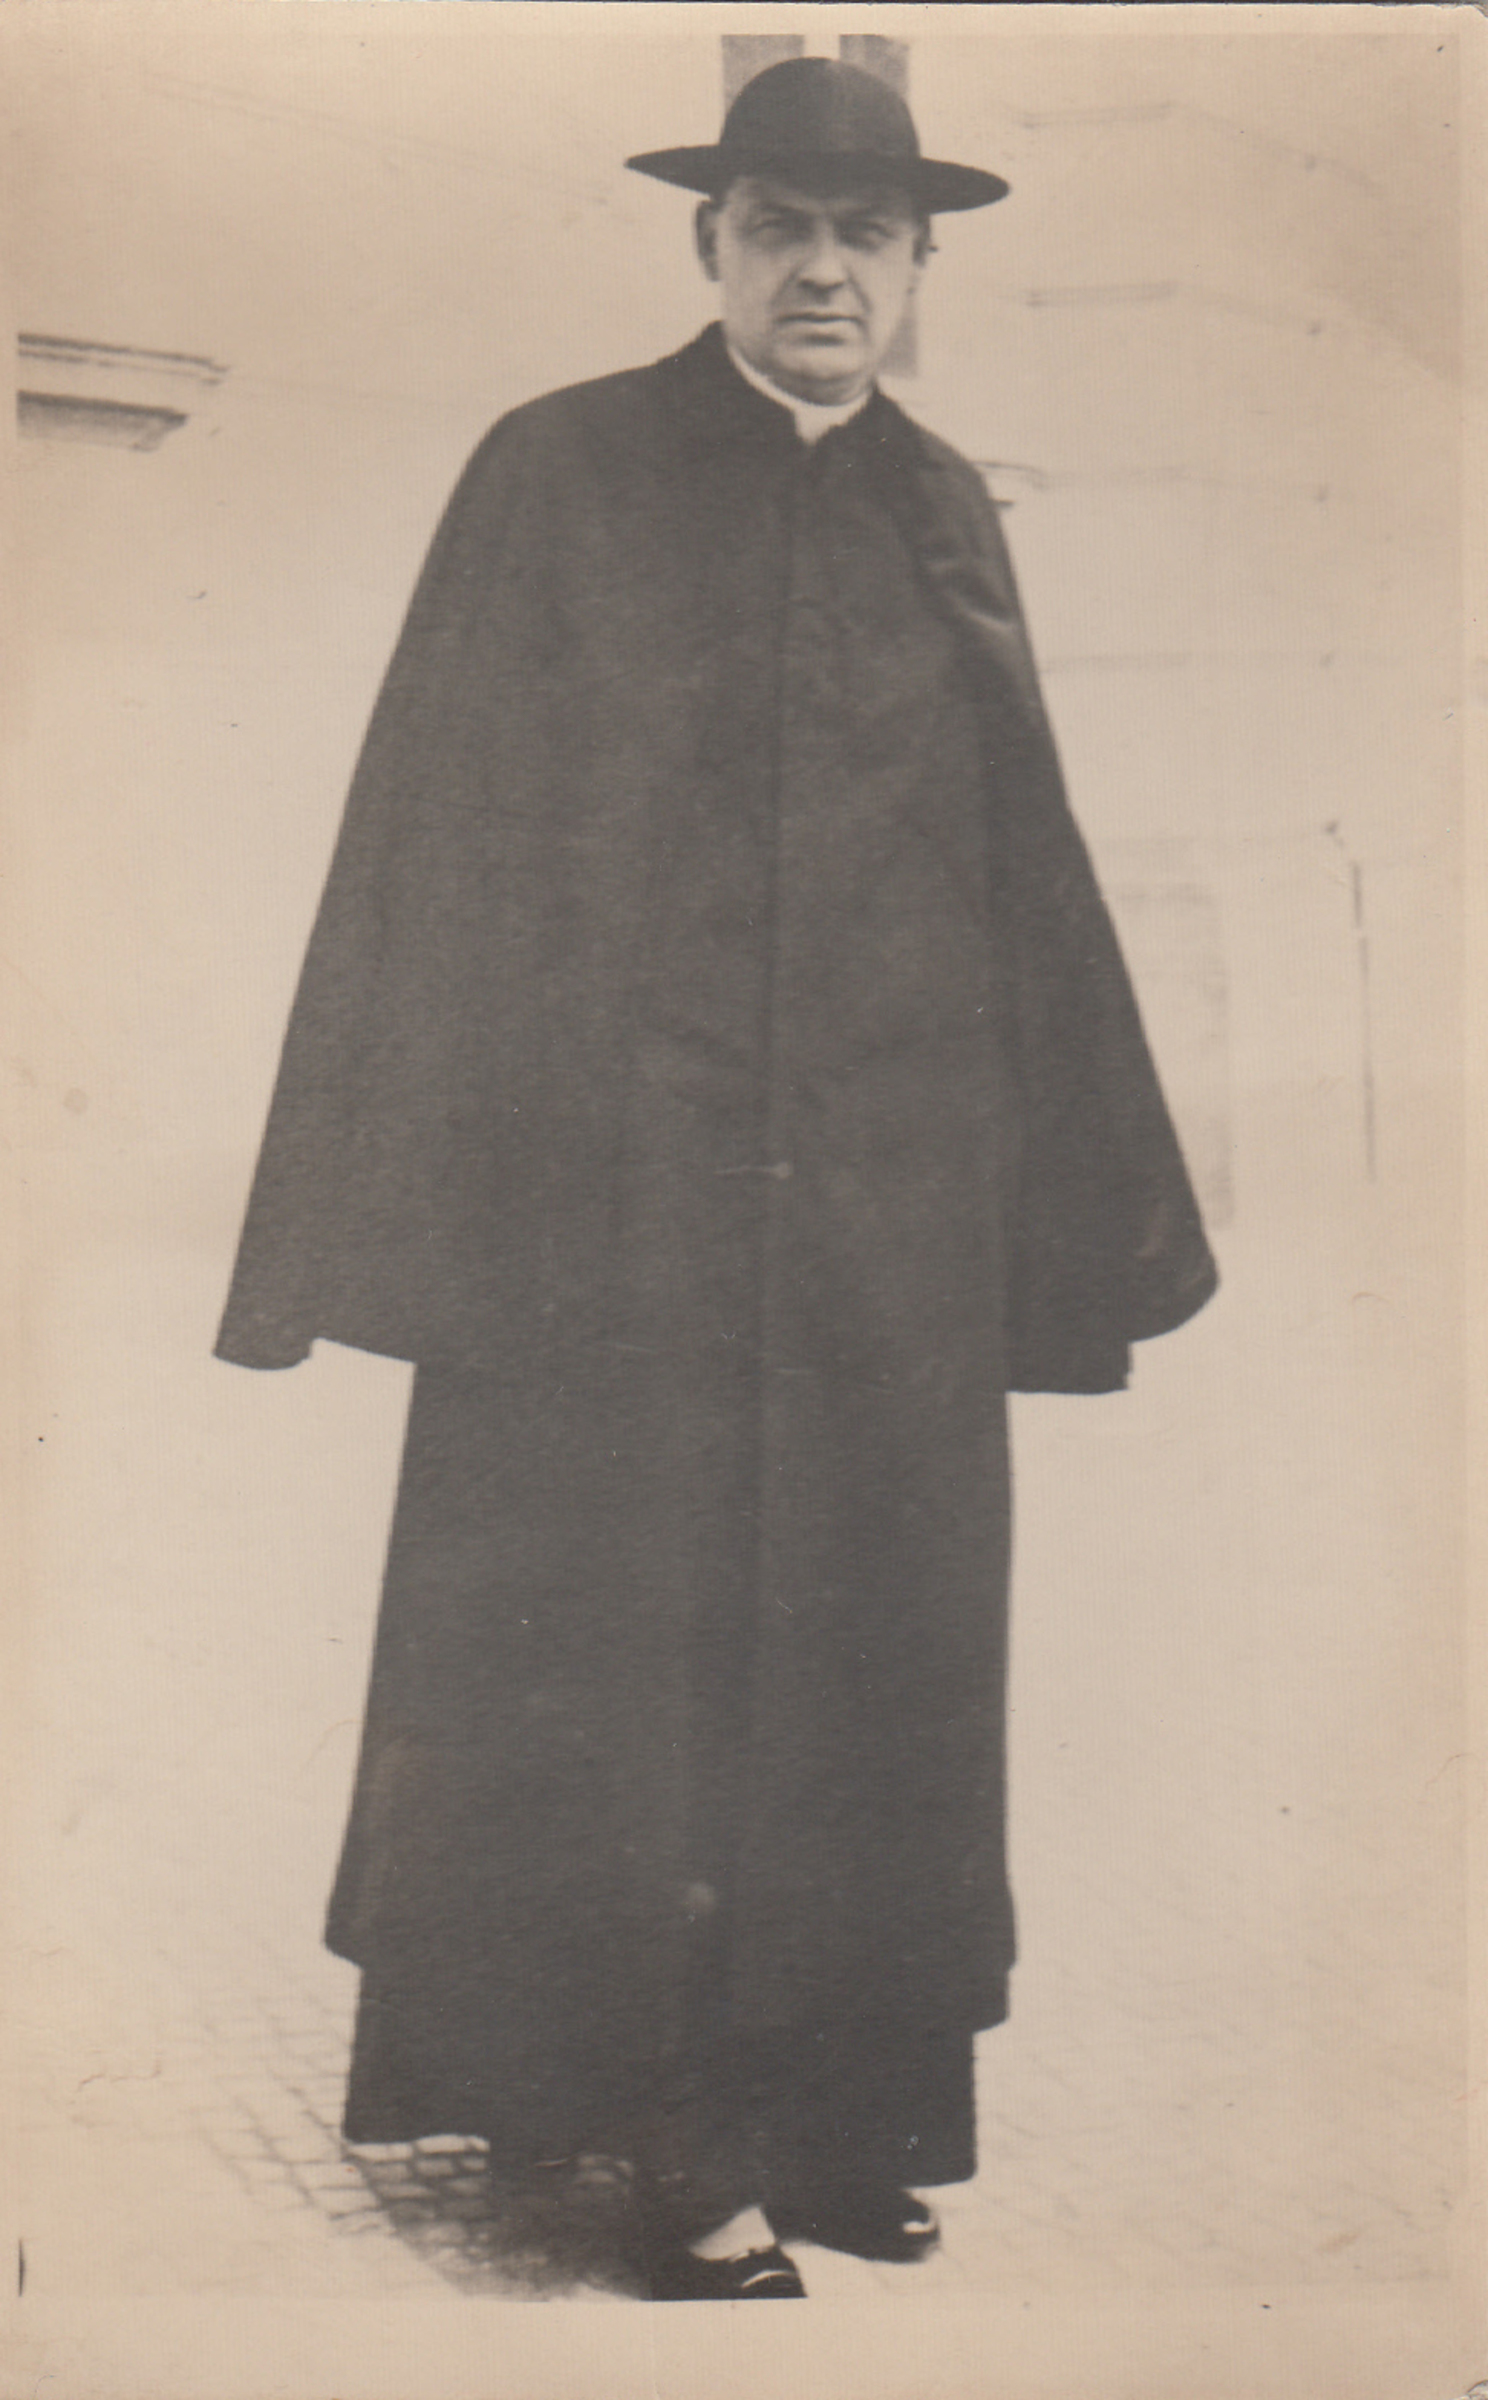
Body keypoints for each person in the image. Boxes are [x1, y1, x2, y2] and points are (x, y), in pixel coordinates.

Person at [216, 56, 1217, 2301]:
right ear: (711, 245)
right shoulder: (559, 469)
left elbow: (1023, 872)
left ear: (922, 266)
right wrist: (435, 1192)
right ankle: (659, 2143)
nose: (824, 272)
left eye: (868, 236)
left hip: (882, 1240)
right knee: (632, 1684)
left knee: (880, 1670)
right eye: (781, 227)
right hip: (620, 1237)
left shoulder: (942, 505)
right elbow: (432, 835)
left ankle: (843, 2118)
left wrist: (1059, 1217)